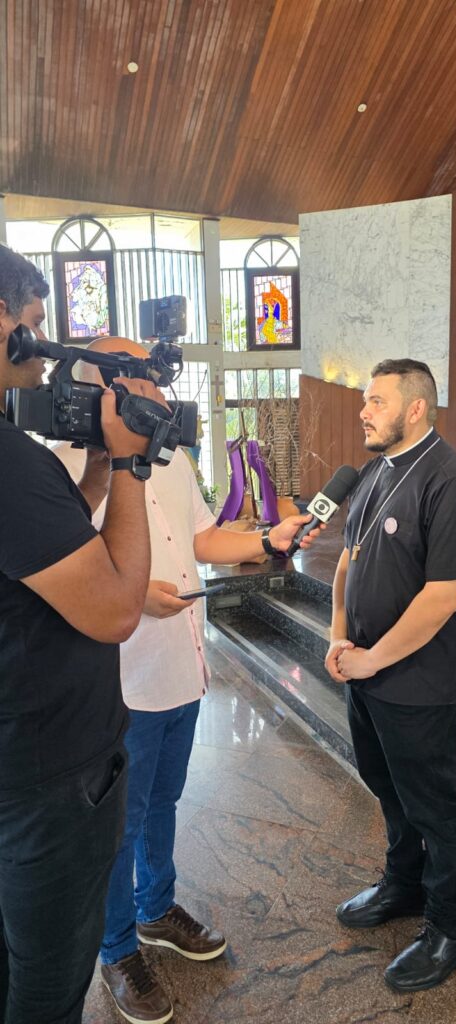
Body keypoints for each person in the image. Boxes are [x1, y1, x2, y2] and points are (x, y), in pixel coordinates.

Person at [56, 336, 323, 1024]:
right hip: (126, 680)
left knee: (164, 802)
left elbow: (202, 537)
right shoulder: (67, 466)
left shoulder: (171, 457)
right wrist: (133, 593)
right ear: (98, 388)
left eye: (152, 374)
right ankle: (117, 948)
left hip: (184, 664)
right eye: (135, 376)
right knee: (120, 825)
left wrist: (266, 539)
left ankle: (155, 909)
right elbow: (69, 573)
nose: (154, 386)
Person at [0, 247, 168, 1022]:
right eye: (35, 324)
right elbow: (114, 610)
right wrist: (131, 467)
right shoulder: (11, 464)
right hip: (48, 777)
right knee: (46, 984)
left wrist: (98, 468)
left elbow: (43, 552)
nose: (45, 349)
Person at [325, 358, 456, 993]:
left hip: (420, 680)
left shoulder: (453, 480)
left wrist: (372, 658)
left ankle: (451, 927)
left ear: (415, 408)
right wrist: (338, 634)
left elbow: (443, 596)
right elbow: (347, 562)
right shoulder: (373, 473)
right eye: (365, 400)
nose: (363, 411)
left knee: (435, 804)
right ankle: (403, 884)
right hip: (367, 673)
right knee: (388, 787)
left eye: (376, 401)